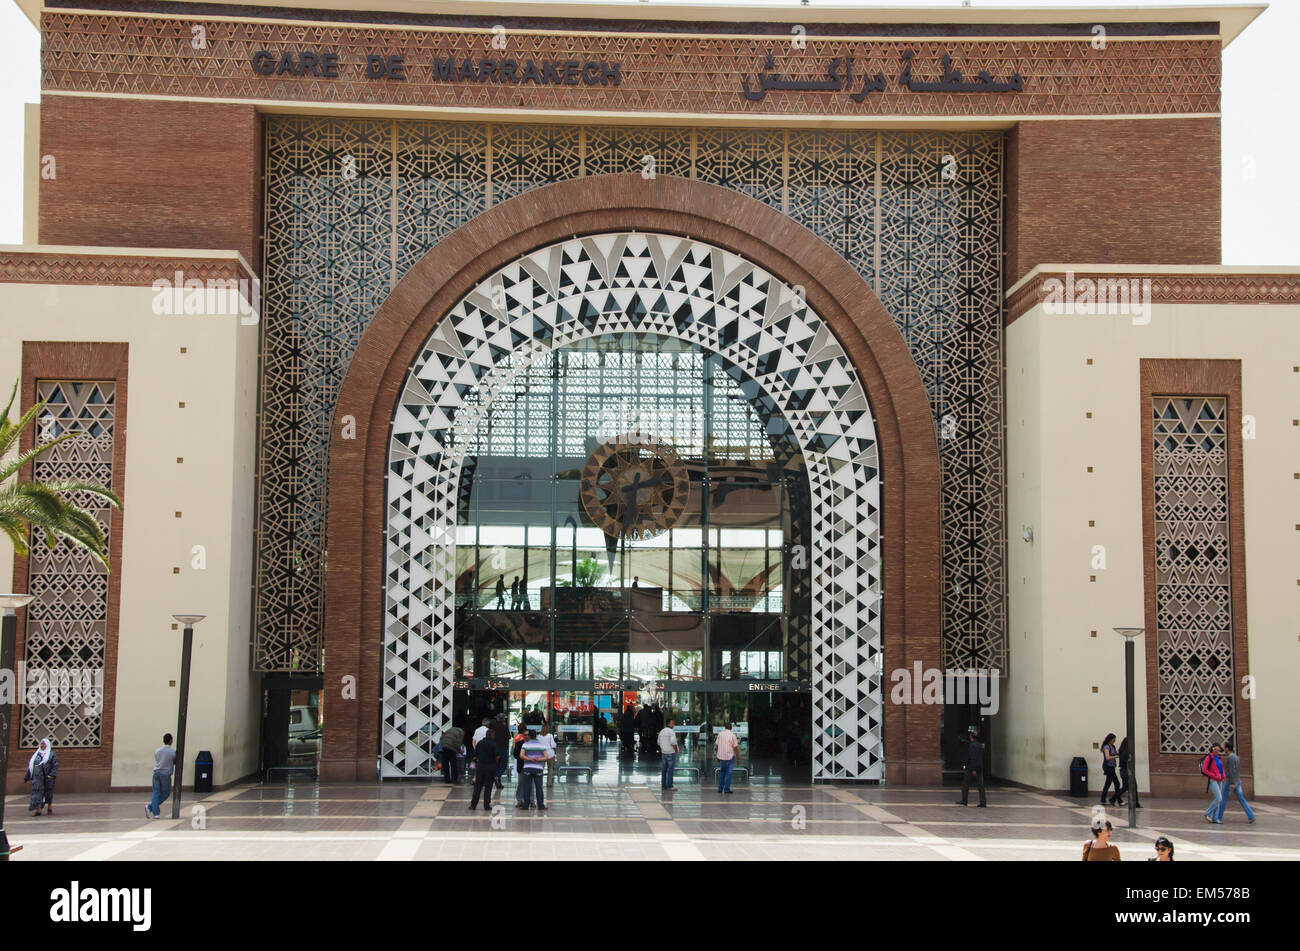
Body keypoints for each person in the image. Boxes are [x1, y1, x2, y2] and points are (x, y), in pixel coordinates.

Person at [1215, 741, 1254, 823]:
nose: (1223, 749)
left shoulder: (1231, 757)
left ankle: (1218, 817)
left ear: (1227, 748)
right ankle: (1251, 816)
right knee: (1241, 799)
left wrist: (1232, 783)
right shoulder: (1236, 757)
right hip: (1237, 781)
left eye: (1224, 747)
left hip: (1231, 781)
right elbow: (1237, 770)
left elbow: (1232, 770)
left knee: (1223, 799)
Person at [145, 733, 176, 819]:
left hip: (156, 772)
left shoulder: (157, 750)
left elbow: (157, 760)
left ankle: (155, 813)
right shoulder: (173, 752)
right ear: (171, 741)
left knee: (155, 792)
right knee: (165, 793)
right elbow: (175, 761)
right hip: (165, 774)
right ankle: (150, 807)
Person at [26, 737, 58, 817]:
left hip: (47, 778)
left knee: (48, 793)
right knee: (37, 793)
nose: (42, 745)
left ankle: (49, 806)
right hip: (37, 779)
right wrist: (28, 776)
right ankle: (38, 810)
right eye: (41, 743)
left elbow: (55, 765)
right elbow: (31, 766)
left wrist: (52, 774)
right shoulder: (36, 754)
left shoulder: (51, 755)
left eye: (44, 744)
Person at [955, 727, 987, 807]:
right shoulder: (980, 745)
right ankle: (983, 802)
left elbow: (973, 758)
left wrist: (973, 769)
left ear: (971, 737)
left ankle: (964, 800)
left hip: (972, 768)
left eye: (970, 735)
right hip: (980, 767)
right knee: (981, 786)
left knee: (965, 784)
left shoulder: (972, 746)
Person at [517, 728, 548, 810]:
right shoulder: (541, 745)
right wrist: (538, 759)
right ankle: (541, 805)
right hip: (538, 769)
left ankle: (525, 805)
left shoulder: (525, 745)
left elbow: (521, 755)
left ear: (529, 736)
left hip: (527, 768)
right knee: (539, 787)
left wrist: (529, 759)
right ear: (536, 735)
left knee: (527, 787)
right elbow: (546, 757)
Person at [469, 730, 499, 810]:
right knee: (488, 786)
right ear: (491, 735)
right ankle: (486, 805)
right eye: (494, 735)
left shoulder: (480, 743)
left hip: (480, 766)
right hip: (490, 767)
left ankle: (473, 805)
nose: (494, 736)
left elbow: (475, 755)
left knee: (478, 786)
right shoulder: (493, 744)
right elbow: (497, 756)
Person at [1201, 743, 1225, 823]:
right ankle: (1208, 813)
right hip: (1213, 780)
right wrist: (1214, 775)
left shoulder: (1218, 757)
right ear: (1212, 749)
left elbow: (1221, 767)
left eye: (1218, 750)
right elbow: (1204, 770)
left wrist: (1223, 775)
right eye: (1215, 750)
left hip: (1220, 780)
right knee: (1219, 798)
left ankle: (1215, 818)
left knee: (1218, 799)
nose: (1217, 751)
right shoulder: (1209, 757)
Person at [1117, 736, 1142, 809]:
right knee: (1134, 786)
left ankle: (1113, 798)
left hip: (1123, 770)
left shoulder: (1122, 749)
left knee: (1125, 787)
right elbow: (1125, 760)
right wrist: (1130, 759)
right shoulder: (1126, 750)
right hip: (1126, 771)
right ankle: (1136, 803)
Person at [716, 722, 739, 793]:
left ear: (724, 727)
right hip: (730, 757)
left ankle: (720, 788)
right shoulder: (733, 735)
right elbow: (735, 747)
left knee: (722, 772)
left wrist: (717, 755)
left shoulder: (720, 734)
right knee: (728, 773)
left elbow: (717, 745)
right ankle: (726, 789)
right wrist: (738, 758)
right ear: (731, 727)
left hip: (721, 756)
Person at [1100, 733, 1123, 806]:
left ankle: (1103, 798)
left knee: (1108, 783)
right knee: (1117, 783)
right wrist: (1116, 756)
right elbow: (1107, 757)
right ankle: (1118, 800)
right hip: (1108, 767)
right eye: (1113, 740)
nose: (1114, 741)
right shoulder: (1106, 747)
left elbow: (1116, 753)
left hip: (1112, 767)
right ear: (1109, 739)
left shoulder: (1112, 746)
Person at [491, 715, 512, 790]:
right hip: (503, 747)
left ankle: (498, 783)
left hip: (495, 747)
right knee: (503, 764)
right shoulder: (505, 726)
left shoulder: (494, 726)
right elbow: (509, 736)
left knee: (497, 765)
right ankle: (497, 776)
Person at [658, 718, 679, 790]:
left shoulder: (662, 731)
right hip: (671, 752)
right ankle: (669, 785)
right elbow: (673, 742)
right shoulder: (671, 732)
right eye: (672, 723)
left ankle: (663, 785)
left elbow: (658, 742)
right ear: (669, 724)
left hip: (664, 753)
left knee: (664, 770)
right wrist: (676, 750)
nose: (673, 725)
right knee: (670, 770)